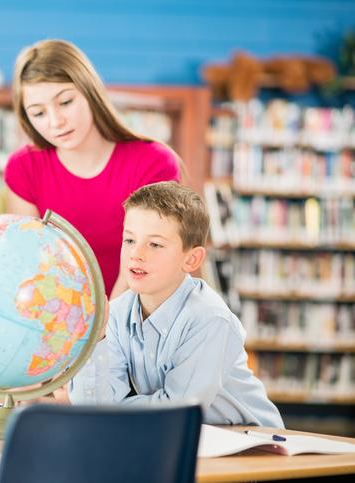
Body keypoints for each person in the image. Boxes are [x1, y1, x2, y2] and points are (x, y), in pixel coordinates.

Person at [69, 182, 283, 427]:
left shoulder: (210, 320)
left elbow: (176, 411)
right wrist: (97, 339)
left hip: (254, 445)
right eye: (129, 240)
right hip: (179, 440)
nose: (136, 254)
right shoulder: (116, 315)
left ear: (191, 259)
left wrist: (114, 408)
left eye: (155, 244)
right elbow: (93, 408)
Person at [4, 39, 180, 300]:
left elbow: (147, 262)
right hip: (55, 321)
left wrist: (105, 331)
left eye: (65, 102)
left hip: (136, 321)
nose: (55, 121)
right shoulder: (23, 169)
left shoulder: (153, 163)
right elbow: (29, 265)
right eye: (38, 113)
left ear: (90, 91)